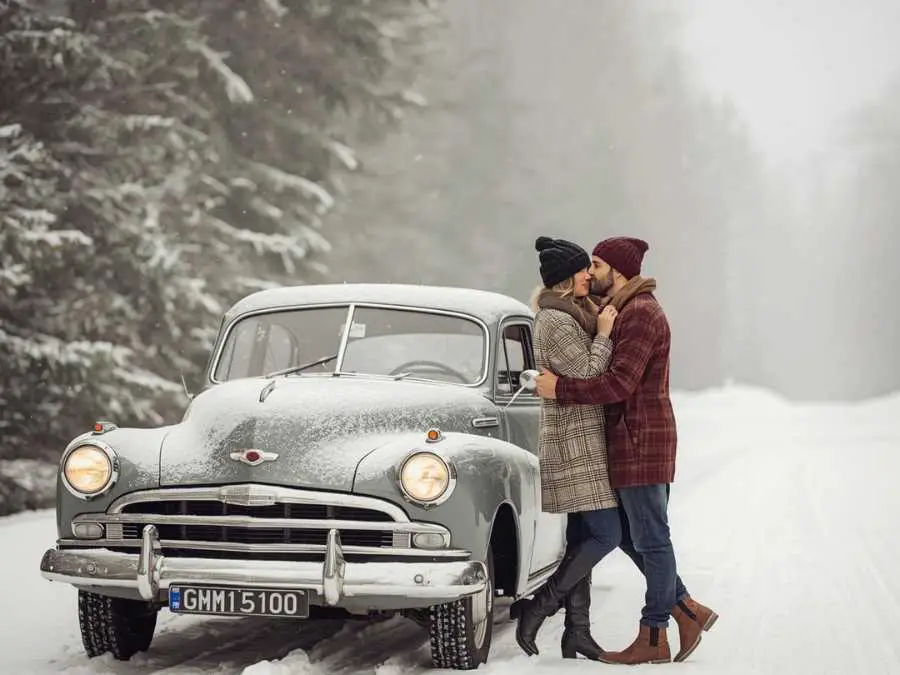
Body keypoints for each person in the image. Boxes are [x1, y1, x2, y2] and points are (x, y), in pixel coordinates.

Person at [534, 236, 718, 665]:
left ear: (617, 271)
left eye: (597, 264)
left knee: (652, 540)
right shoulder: (625, 309)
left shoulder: (640, 314)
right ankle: (687, 610)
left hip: (640, 441)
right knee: (635, 538)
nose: (590, 272)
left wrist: (560, 389)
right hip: (631, 441)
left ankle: (654, 634)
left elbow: (618, 383)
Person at [513, 236, 621, 660]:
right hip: (574, 441)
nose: (589, 275)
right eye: (582, 270)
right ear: (564, 279)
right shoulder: (555, 321)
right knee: (607, 533)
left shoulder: (573, 313)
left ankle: (577, 631)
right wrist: (606, 335)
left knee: (581, 537)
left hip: (582, 437)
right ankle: (539, 606)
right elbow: (589, 375)